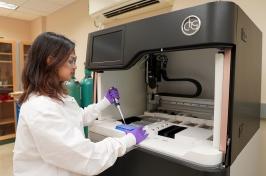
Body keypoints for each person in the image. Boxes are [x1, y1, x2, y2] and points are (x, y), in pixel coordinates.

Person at [13, 32, 148, 176]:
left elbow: (77, 117)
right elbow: (86, 157)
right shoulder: (40, 108)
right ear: (50, 61)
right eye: (71, 61)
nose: (75, 66)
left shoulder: (56, 96)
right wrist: (128, 140)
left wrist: (105, 102)